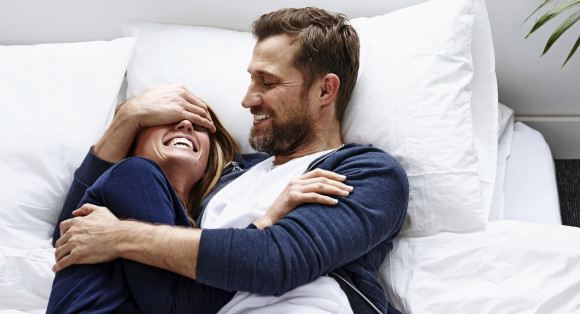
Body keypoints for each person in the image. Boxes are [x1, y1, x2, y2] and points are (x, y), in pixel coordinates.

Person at [53, 7, 409, 313]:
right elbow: (76, 234)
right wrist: (127, 118)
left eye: (266, 82)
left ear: (325, 90)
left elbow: (278, 261)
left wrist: (118, 236)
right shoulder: (224, 178)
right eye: (251, 81)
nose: (247, 100)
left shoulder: (368, 173)